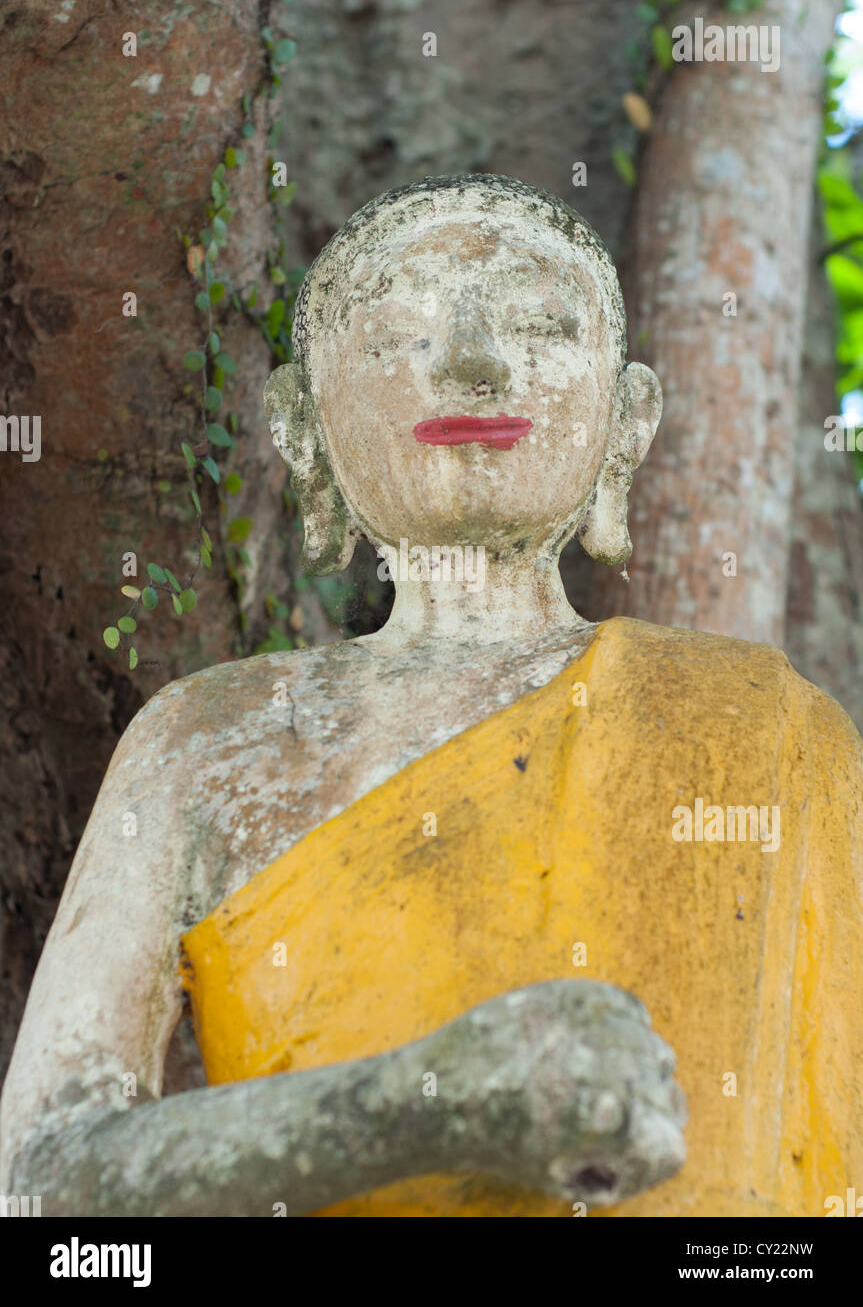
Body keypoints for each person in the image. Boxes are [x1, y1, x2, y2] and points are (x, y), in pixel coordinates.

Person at [2, 175, 859, 1218]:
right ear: (300, 425)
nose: (471, 363)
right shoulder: (208, 738)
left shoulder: (762, 723)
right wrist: (420, 1105)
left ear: (626, 423)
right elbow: (41, 1184)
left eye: (539, 322)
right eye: (397, 327)